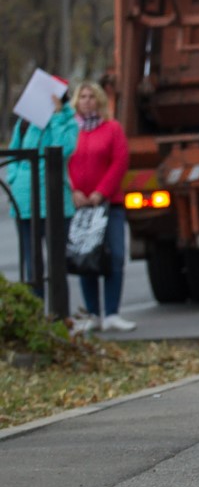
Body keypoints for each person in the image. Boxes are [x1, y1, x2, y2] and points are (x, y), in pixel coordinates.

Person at [68, 81, 135, 332]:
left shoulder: (112, 129)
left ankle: (112, 313)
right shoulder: (71, 131)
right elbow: (63, 161)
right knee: (86, 259)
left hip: (109, 205)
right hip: (80, 207)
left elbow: (120, 162)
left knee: (114, 256)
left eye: (91, 96)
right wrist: (74, 189)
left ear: (99, 100)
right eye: (82, 97)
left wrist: (101, 192)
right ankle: (93, 314)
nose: (86, 101)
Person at [6, 85, 78, 298]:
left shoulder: (67, 123)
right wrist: (15, 177)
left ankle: (58, 316)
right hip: (24, 202)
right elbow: (14, 153)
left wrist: (56, 117)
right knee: (32, 265)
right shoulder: (26, 122)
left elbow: (62, 149)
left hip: (54, 203)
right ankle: (38, 316)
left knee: (57, 264)